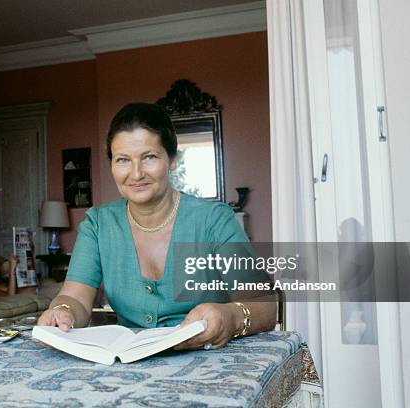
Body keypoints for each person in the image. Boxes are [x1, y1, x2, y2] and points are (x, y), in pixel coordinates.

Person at [38, 102, 277, 350]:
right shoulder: (98, 224)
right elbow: (75, 297)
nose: (136, 173)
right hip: (128, 366)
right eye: (123, 160)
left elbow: (265, 303)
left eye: (149, 157)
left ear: (172, 159)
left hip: (210, 359)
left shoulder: (213, 220)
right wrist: (61, 311)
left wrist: (231, 317)